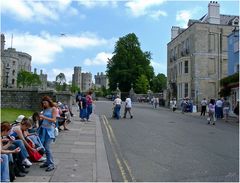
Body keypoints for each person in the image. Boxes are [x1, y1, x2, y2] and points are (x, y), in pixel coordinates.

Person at [38, 96, 57, 171]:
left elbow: (54, 120)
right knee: (44, 147)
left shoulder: (53, 109)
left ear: (49, 102)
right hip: (43, 129)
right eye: (43, 103)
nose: (44, 104)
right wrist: (41, 118)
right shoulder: (44, 109)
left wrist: (44, 117)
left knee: (47, 147)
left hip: (49, 130)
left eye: (45, 103)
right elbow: (43, 119)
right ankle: (47, 162)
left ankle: (51, 164)